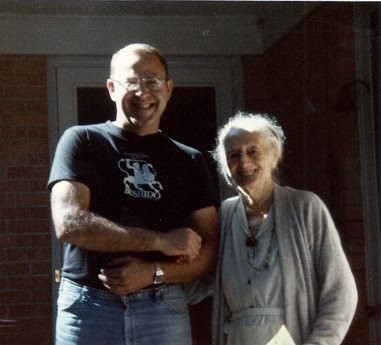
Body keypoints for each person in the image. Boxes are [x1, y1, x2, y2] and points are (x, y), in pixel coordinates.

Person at [48, 43, 219, 345]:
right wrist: (161, 241)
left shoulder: (190, 160)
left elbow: (208, 252)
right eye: (132, 82)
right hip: (89, 308)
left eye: (152, 81)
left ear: (168, 89)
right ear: (112, 88)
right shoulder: (82, 141)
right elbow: (69, 223)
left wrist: (153, 272)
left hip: (162, 309)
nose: (143, 92)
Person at [210, 111, 357, 345]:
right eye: (234, 155)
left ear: (274, 156)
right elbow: (198, 284)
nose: (244, 162)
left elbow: (341, 293)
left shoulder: (305, 207)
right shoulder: (224, 216)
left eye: (253, 151)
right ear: (225, 166)